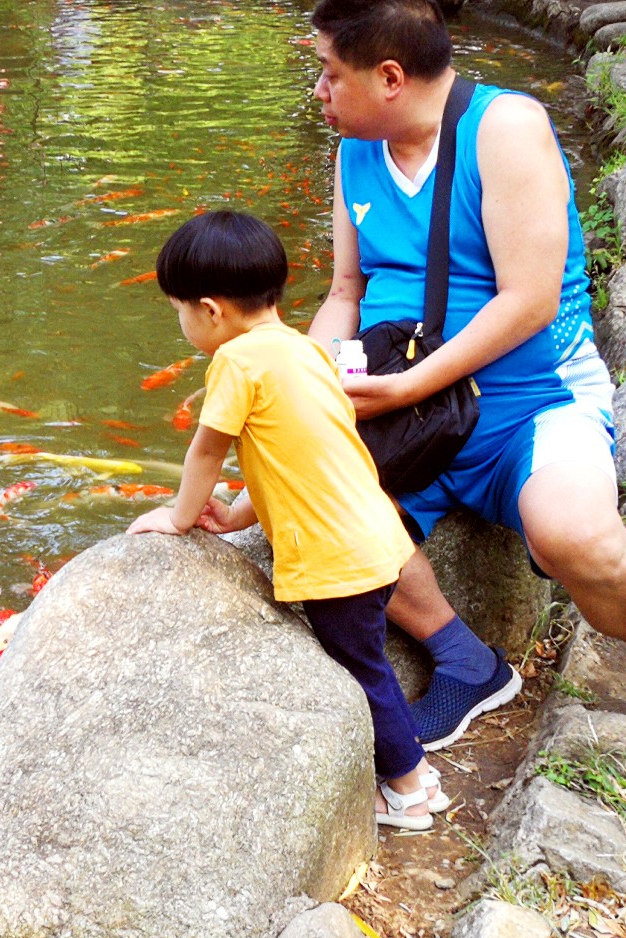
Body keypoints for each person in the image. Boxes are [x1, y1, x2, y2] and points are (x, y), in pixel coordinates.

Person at [308, 0, 626, 766]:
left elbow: (529, 299)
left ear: (388, 77)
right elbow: (345, 291)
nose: (318, 92)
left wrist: (405, 391)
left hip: (532, 398)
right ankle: (465, 659)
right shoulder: (355, 150)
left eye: (327, 73)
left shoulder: (505, 129)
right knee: (306, 506)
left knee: (573, 532)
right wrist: (302, 386)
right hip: (407, 402)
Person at [128, 210, 446, 828]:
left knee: (362, 673)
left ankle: (409, 791)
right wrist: (241, 513)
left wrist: (180, 515)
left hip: (336, 560)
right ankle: (419, 774)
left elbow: (208, 449)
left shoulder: (237, 362)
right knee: (372, 661)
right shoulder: (306, 352)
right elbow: (299, 456)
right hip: (376, 536)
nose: (183, 325)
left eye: (179, 312)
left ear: (211, 310)